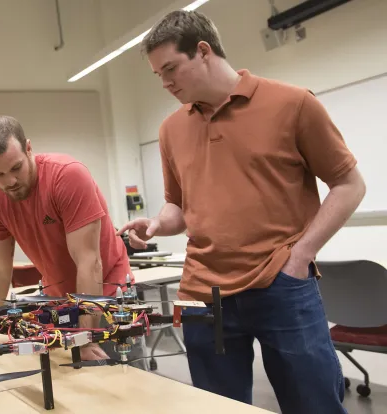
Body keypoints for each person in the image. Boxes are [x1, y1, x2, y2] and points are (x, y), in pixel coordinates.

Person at [116, 10, 366, 414]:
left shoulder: (293, 104)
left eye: (170, 69)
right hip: (203, 293)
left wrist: (300, 256)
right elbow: (179, 205)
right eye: (158, 75)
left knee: (314, 405)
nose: (164, 83)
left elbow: (350, 184)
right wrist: (159, 223)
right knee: (218, 408)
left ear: (203, 51)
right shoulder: (171, 130)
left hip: (282, 285)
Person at [0, 115, 134, 361]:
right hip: (59, 301)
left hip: (108, 296)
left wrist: (85, 335)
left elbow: (89, 262)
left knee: (119, 385)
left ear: (29, 148)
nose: (10, 182)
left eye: (16, 168)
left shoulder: (67, 177)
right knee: (65, 384)